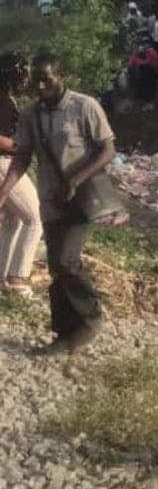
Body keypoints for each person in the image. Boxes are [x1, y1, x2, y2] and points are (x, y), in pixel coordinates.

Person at [0, 55, 116, 353]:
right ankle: (65, 335)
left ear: (61, 74)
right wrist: (4, 191)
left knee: (67, 260)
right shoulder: (29, 115)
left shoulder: (84, 106)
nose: (41, 86)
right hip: (50, 199)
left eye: (47, 79)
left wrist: (78, 179)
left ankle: (91, 316)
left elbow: (107, 148)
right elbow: (22, 156)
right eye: (36, 81)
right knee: (56, 267)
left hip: (80, 197)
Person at [0, 53, 43, 293]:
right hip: (4, 164)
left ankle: (3, 276)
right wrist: (23, 145)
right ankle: (18, 278)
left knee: (13, 221)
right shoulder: (4, 101)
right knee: (35, 218)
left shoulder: (7, 99)